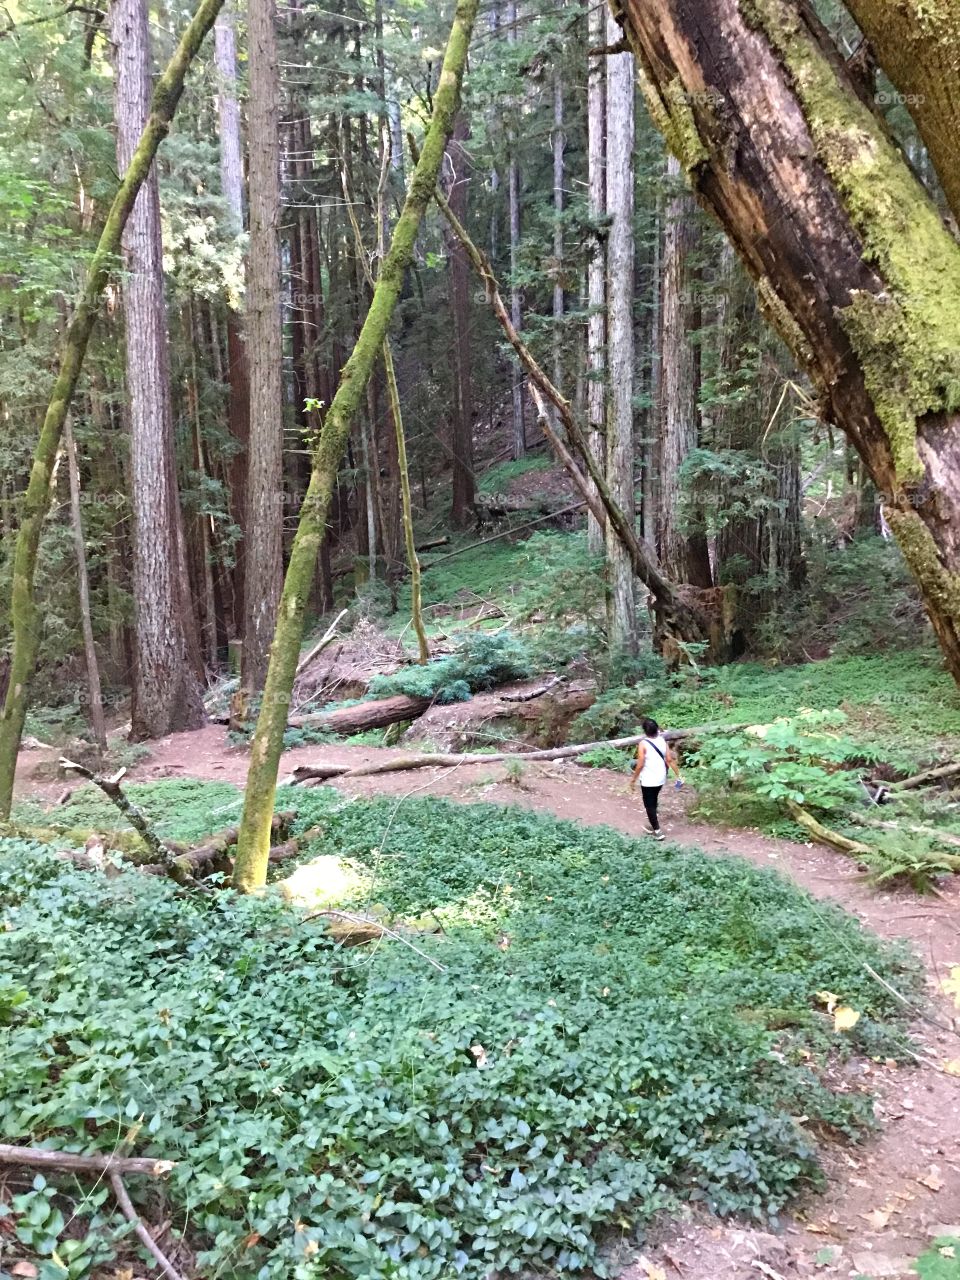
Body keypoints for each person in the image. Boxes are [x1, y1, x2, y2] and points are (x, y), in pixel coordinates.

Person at [628, 717, 683, 841]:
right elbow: (669, 759)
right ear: (657, 729)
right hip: (660, 778)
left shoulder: (643, 744)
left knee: (649, 804)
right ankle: (653, 823)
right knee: (654, 800)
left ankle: (657, 831)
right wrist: (678, 775)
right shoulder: (662, 741)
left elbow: (640, 763)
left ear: (645, 731)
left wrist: (633, 779)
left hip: (648, 779)